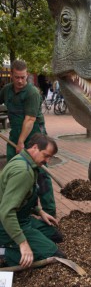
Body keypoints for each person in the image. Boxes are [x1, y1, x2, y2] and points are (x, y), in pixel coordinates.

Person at [0, 60, 56, 216]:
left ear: (27, 75)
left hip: (36, 136)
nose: (20, 81)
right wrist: (18, 141)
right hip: (16, 133)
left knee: (41, 174)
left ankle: (50, 211)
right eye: (17, 77)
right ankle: (25, 210)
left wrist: (21, 143)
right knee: (16, 171)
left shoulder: (32, 92)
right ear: (11, 75)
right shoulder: (6, 90)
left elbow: (30, 120)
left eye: (23, 77)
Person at [0, 133, 65, 267]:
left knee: (56, 236)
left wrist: (40, 211)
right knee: (54, 254)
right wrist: (23, 243)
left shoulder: (27, 161)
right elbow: (6, 212)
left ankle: (25, 240)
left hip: (22, 218)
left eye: (50, 157)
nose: (47, 161)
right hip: (5, 223)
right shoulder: (23, 171)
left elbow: (24, 197)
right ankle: (4, 252)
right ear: (35, 148)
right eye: (46, 155)